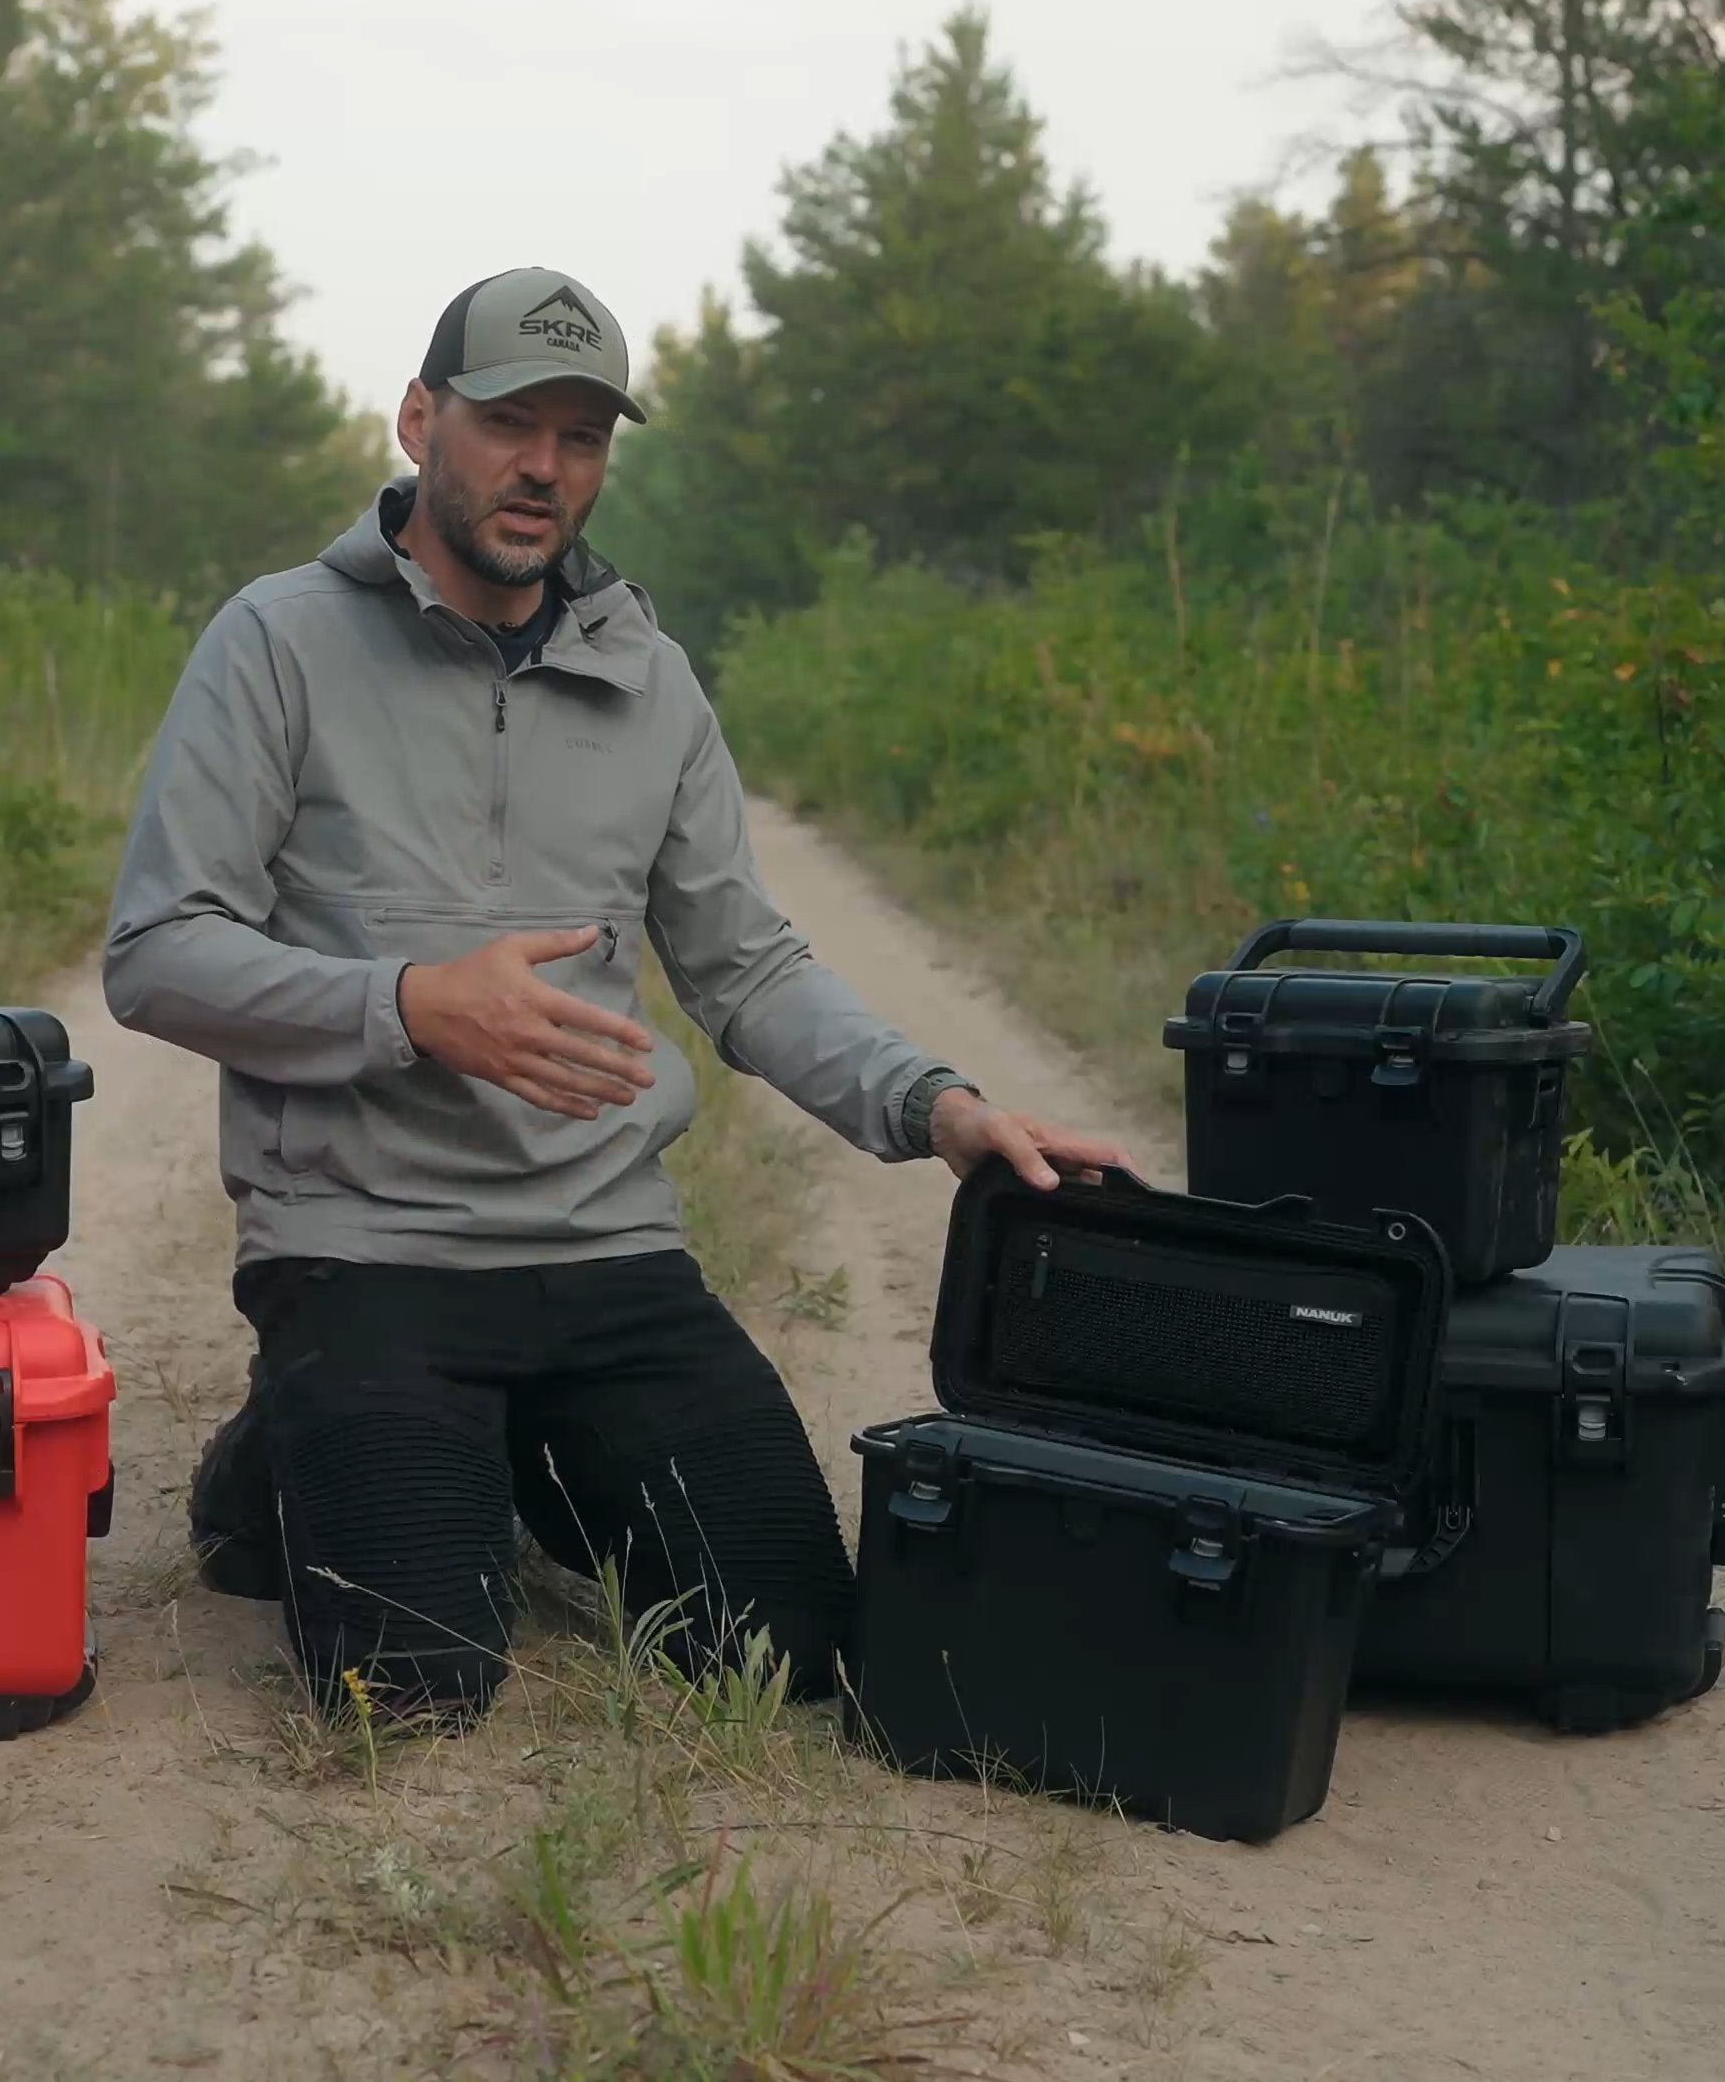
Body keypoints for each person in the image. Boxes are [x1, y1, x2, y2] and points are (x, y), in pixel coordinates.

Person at [101, 266, 1127, 1724]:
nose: (544, 467)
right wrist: (410, 1006)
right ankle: (274, 1460)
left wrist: (938, 1108)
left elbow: (749, 967)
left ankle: (502, 1445)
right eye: (509, 423)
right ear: (420, 421)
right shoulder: (277, 643)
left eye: (581, 437)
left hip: (606, 1255)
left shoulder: (653, 683)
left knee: (789, 1648)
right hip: (363, 1248)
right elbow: (158, 950)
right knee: (412, 1684)